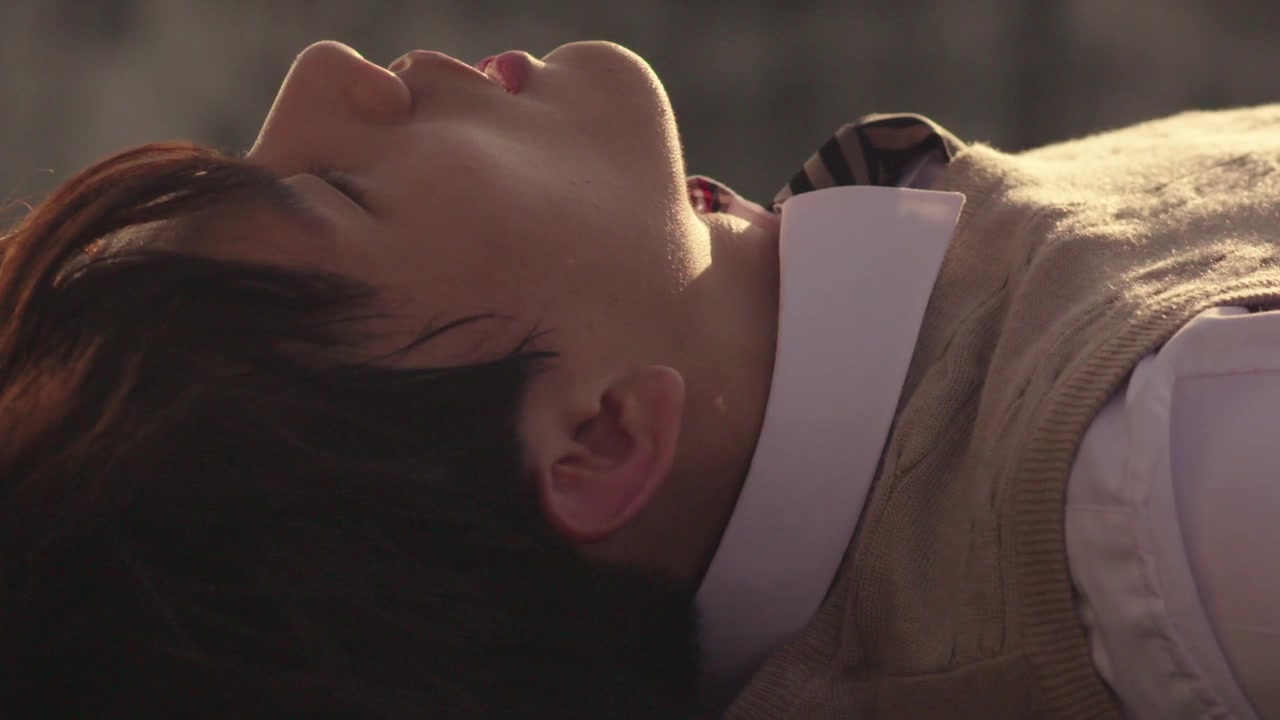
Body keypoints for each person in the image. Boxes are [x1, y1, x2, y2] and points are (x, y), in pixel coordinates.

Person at [0, 38, 1276, 719]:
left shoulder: (952, 326)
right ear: (600, 440)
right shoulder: (1164, 502)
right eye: (333, 192)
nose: (324, 71)